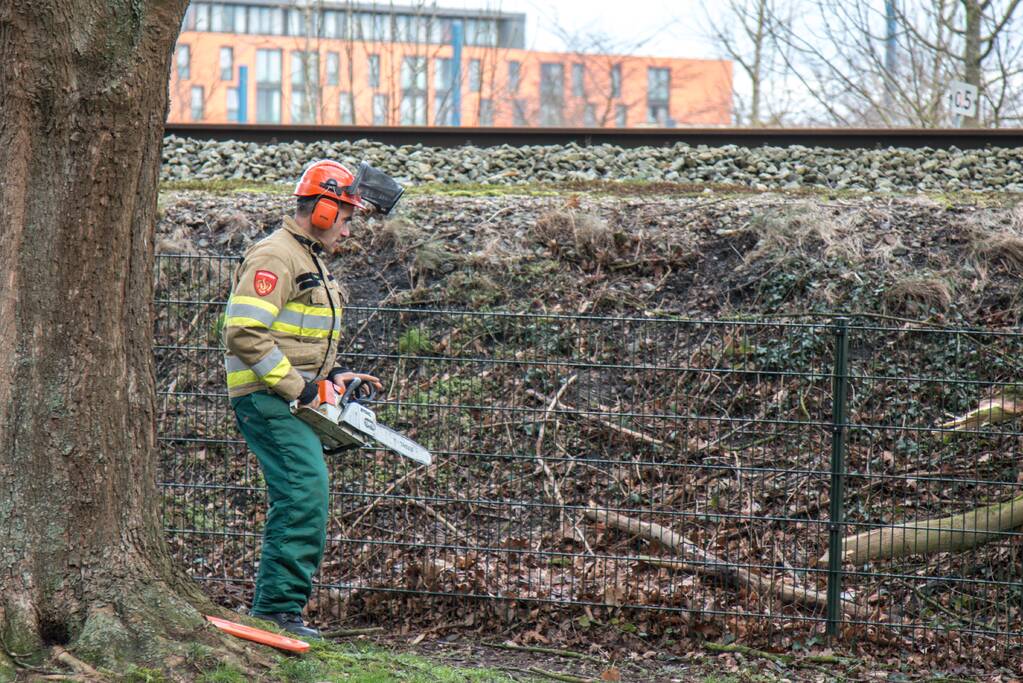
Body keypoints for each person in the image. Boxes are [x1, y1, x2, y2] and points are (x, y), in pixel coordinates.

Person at [222, 159, 401, 638]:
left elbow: (295, 338)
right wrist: (301, 388)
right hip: (267, 396)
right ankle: (276, 610)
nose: (348, 228)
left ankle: (279, 607)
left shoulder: (307, 258)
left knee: (305, 492)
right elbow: (244, 331)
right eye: (346, 216)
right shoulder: (276, 257)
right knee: (304, 491)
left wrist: (335, 376)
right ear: (322, 210)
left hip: (287, 395)